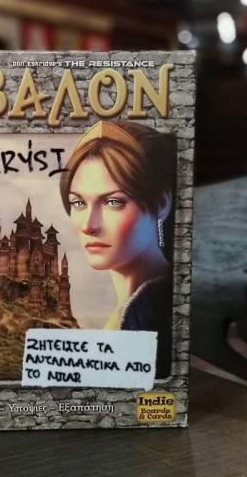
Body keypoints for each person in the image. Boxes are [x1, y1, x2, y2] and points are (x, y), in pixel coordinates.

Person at [60, 119, 176, 378]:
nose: (89, 225)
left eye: (113, 202)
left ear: (161, 204)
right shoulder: (132, 311)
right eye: (78, 203)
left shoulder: (150, 317)